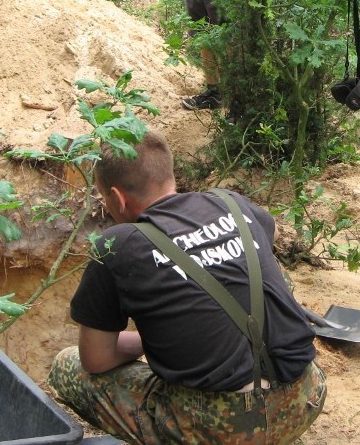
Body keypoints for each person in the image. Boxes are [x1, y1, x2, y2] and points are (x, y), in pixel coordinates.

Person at [48, 130, 326, 444]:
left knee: (66, 367)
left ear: (118, 197)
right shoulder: (231, 202)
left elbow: (96, 359)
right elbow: (270, 235)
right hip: (305, 395)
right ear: (169, 176)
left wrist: (147, 340)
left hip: (218, 426)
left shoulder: (118, 246)